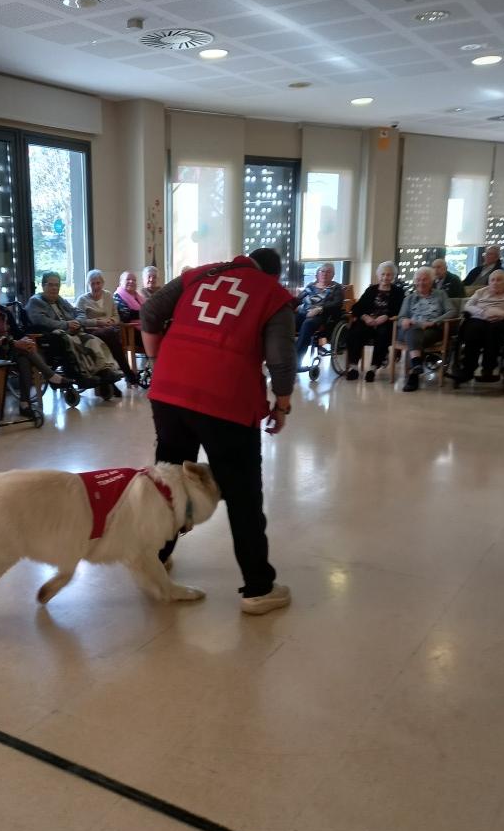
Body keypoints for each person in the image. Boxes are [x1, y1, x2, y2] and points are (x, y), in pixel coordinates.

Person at [140, 246, 296, 616]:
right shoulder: (273, 294)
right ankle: (258, 588)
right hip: (226, 398)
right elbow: (280, 359)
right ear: (273, 274)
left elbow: (149, 311)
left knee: (170, 479)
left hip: (169, 391)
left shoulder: (199, 274)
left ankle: (155, 559)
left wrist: (157, 358)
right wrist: (282, 404)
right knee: (242, 493)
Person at [0, 278, 69, 419]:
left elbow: (17, 332)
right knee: (24, 351)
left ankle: (25, 403)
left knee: (24, 356)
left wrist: (24, 340)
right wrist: (15, 343)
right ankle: (49, 377)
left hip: (13, 350)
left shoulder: (4, 310)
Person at [27, 272, 122, 397]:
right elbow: (42, 321)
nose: (54, 288)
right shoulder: (35, 302)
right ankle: (80, 376)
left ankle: (104, 371)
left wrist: (76, 322)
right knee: (69, 340)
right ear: (43, 285)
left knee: (92, 340)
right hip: (51, 339)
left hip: (70, 332)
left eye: (57, 285)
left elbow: (78, 312)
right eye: (51, 285)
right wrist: (66, 325)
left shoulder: (60, 300)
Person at [455, 270, 504, 384]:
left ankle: (488, 369)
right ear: (489, 282)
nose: (495, 282)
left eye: (499, 280)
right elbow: (468, 306)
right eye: (492, 280)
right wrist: (483, 312)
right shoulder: (481, 292)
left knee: (493, 330)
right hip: (479, 318)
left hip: (501, 320)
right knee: (472, 330)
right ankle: (468, 370)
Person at [397, 266, 456, 392]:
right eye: (418, 280)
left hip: (432, 330)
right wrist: (404, 320)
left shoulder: (440, 294)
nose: (421, 282)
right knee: (413, 330)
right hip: (410, 329)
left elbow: (452, 311)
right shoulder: (409, 298)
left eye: (425, 279)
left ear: (432, 280)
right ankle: (416, 367)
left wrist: (434, 322)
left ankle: (415, 371)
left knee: (416, 336)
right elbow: (401, 317)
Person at [344, 261, 405, 381]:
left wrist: (386, 316)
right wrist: (365, 317)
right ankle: (354, 367)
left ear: (393, 276)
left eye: (389, 274)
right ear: (378, 275)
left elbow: (400, 309)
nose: (385, 277)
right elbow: (357, 307)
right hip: (368, 321)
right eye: (383, 274)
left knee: (382, 334)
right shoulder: (371, 290)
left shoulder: (398, 292)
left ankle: (373, 368)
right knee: (355, 332)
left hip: (386, 322)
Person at [76, 269, 138, 386]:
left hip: (110, 330)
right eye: (92, 283)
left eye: (98, 283)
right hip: (92, 333)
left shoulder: (108, 296)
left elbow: (116, 316)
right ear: (88, 285)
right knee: (109, 334)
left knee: (109, 333)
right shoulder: (82, 300)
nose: (96, 286)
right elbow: (80, 321)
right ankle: (127, 372)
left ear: (103, 283)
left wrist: (111, 321)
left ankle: (110, 380)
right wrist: (97, 322)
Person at [294, 263, 344, 368]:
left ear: (333, 275)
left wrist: (320, 309)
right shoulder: (311, 286)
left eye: (328, 272)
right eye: (322, 271)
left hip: (322, 316)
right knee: (287, 322)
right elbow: (298, 300)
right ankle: (282, 358)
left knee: (307, 324)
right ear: (318, 274)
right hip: (304, 313)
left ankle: (296, 362)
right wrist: (290, 306)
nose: (324, 274)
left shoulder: (336, 288)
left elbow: (337, 304)